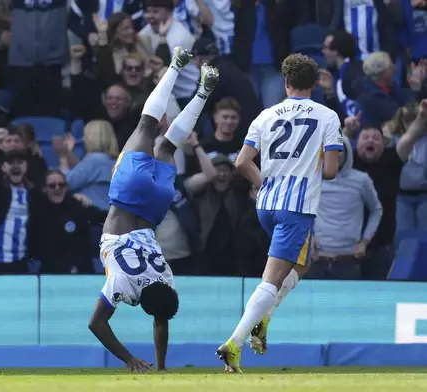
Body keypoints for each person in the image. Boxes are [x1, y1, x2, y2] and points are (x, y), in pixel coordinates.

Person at [88, 46, 219, 372]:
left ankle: (194, 84)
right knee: (156, 135)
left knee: (153, 132)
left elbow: (164, 316)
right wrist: (131, 359)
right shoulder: (122, 285)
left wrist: (155, 366)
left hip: (155, 203)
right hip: (130, 203)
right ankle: (187, 79)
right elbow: (97, 324)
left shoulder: (167, 278)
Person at [216, 54, 343, 373]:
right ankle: (234, 343)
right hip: (296, 207)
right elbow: (330, 171)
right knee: (272, 279)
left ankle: (264, 318)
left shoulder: (265, 115)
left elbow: (242, 162)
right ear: (315, 84)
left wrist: (265, 184)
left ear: (286, 82)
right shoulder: (327, 116)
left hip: (267, 205)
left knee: (303, 262)